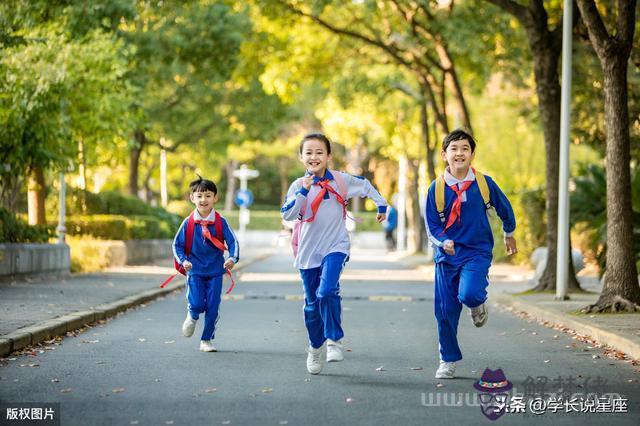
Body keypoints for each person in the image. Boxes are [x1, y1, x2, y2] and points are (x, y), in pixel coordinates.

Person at [281, 133, 388, 374]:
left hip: (335, 246)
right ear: (301, 157)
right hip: (308, 251)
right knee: (311, 304)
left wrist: (381, 205)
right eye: (308, 152)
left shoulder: (341, 180)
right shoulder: (298, 185)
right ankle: (315, 347)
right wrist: (302, 192)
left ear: (328, 156)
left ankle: (334, 341)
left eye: (320, 152)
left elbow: (365, 185)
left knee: (327, 290)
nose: (314, 157)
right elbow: (287, 215)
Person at [424, 129, 517, 379]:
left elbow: (504, 207)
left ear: (472, 154)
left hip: (477, 251)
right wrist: (443, 243)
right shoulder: (436, 189)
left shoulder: (484, 183)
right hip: (446, 256)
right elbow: (431, 225)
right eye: (454, 149)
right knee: (445, 311)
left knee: (470, 293)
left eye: (465, 148)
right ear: (445, 155)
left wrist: (509, 232)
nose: (459, 153)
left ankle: (477, 304)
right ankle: (448, 359)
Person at [172, 176, 239, 352]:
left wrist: (232, 258)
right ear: (192, 198)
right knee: (196, 304)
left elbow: (233, 242)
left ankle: (206, 340)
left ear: (215, 198)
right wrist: (184, 261)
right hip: (194, 271)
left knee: (212, 306)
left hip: (216, 271)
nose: (203, 200)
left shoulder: (220, 221)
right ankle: (192, 316)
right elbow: (176, 245)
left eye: (208, 195)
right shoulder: (188, 223)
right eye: (199, 196)